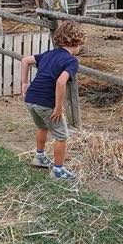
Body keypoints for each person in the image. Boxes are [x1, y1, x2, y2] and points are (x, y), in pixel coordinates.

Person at [21, 21, 85, 181]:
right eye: (81, 45)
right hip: (46, 102)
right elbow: (60, 82)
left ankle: (40, 157)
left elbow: (25, 60)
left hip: (31, 99)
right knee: (61, 136)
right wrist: (57, 107)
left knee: (41, 126)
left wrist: (24, 83)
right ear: (76, 43)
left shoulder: (49, 54)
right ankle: (58, 171)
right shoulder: (71, 61)